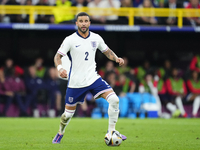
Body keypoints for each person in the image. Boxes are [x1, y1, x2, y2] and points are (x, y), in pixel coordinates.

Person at [52, 12, 127, 144]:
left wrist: (116, 58)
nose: (83, 23)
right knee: (67, 115)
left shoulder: (96, 38)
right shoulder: (70, 39)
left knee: (114, 99)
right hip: (76, 82)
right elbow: (57, 57)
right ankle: (60, 132)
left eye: (86, 21)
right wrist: (60, 69)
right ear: (77, 23)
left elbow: (106, 51)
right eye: (80, 21)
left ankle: (111, 131)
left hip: (93, 78)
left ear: (89, 23)